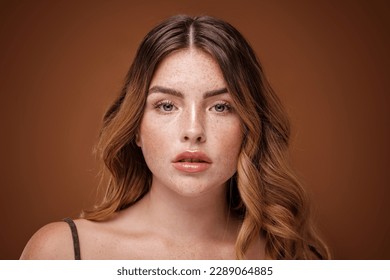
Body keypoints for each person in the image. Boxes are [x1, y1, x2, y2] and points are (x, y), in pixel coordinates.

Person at [20, 15, 330, 260]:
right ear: (136, 127)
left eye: (221, 106)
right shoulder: (60, 254)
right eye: (166, 105)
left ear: (249, 127)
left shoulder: (295, 260)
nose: (193, 130)